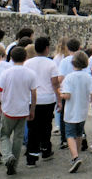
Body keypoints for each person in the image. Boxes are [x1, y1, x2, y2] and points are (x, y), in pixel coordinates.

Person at [0, 46, 38, 175]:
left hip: (8, 109)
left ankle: (8, 156)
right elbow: (34, 94)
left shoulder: (6, 73)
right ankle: (14, 164)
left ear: (11, 58)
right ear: (25, 58)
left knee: (4, 135)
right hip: (23, 110)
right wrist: (32, 109)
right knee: (18, 138)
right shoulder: (31, 73)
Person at [23, 37, 60, 166]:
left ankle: (31, 156)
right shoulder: (51, 63)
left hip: (31, 99)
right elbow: (55, 83)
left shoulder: (27, 63)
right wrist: (59, 100)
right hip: (48, 99)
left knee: (32, 127)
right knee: (46, 125)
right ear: (46, 48)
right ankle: (45, 149)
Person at [60, 50, 92, 173]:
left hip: (71, 110)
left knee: (69, 134)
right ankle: (77, 154)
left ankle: (75, 156)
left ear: (73, 63)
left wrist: (60, 94)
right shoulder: (88, 77)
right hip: (82, 109)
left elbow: (67, 95)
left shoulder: (69, 78)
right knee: (79, 133)